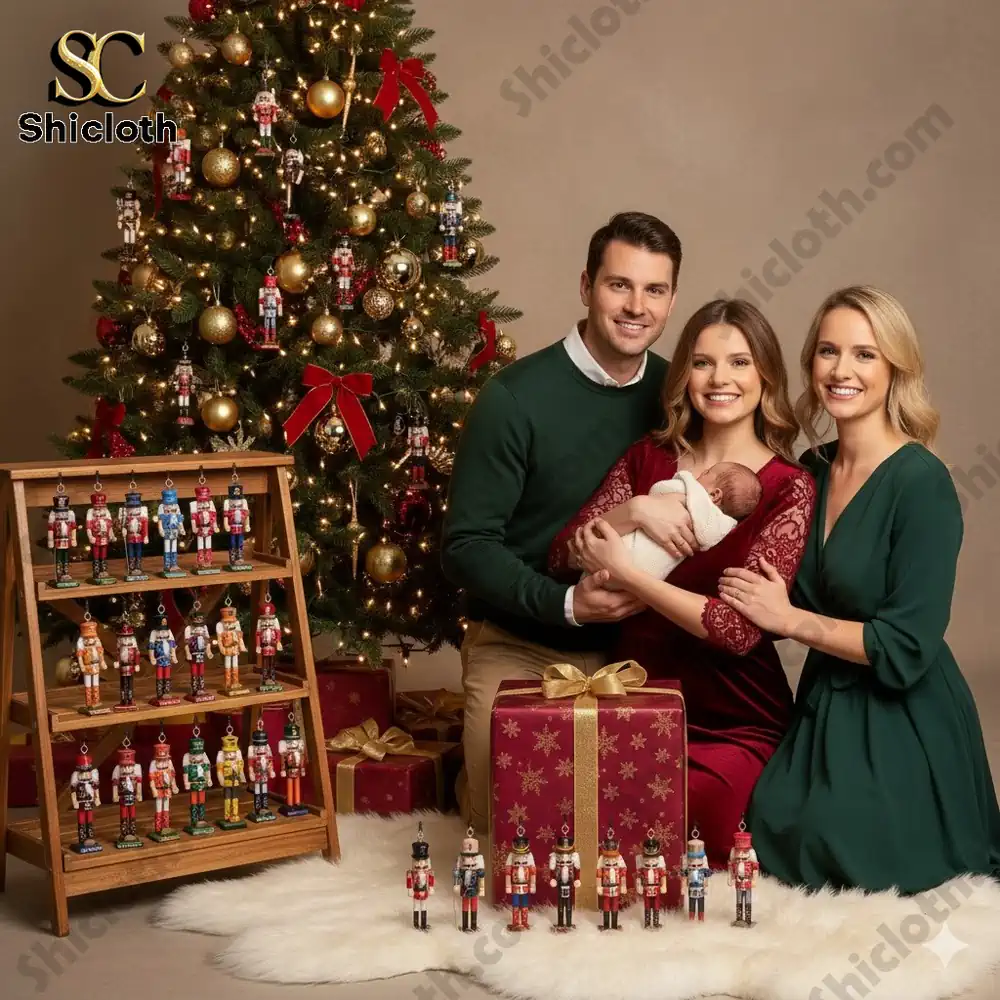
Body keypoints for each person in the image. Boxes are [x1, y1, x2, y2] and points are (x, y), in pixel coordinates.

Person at [717, 285, 1000, 893]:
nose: (841, 371)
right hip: (824, 702)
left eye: (864, 354)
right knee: (762, 830)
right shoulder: (811, 469)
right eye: (827, 351)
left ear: (896, 367)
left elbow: (906, 646)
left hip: (903, 712)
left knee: (845, 850)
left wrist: (790, 620)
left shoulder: (922, 484)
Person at [441, 211, 683, 834]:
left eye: (654, 290)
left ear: (672, 298)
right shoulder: (514, 399)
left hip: (641, 646)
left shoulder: (679, 393)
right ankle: (467, 768)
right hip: (522, 643)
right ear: (585, 286)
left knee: (641, 831)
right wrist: (566, 604)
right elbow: (466, 547)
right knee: (514, 835)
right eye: (618, 286)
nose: (636, 307)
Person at [551, 298, 817, 865]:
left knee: (687, 833)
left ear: (765, 375)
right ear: (684, 375)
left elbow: (737, 630)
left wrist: (628, 575)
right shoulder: (649, 459)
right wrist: (637, 513)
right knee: (573, 823)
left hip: (733, 718)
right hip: (635, 703)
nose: (720, 379)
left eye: (740, 363)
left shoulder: (787, 487)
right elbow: (562, 554)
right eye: (702, 363)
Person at [604, 462, 762, 588]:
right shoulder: (719, 527)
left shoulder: (689, 492)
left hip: (625, 556)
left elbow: (658, 491)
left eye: (708, 473)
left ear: (715, 494)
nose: (702, 473)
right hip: (648, 577)